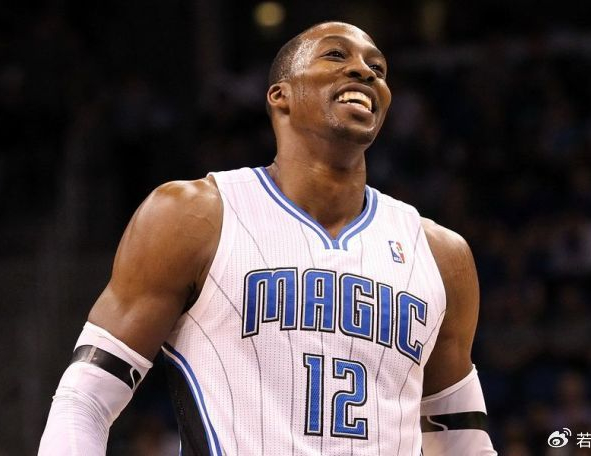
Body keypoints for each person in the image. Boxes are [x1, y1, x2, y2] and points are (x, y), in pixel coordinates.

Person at [39, 21, 497, 455]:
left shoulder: (440, 254)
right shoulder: (193, 216)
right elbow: (85, 399)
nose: (364, 71)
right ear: (281, 96)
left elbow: (462, 440)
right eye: (336, 55)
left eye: (377, 67)